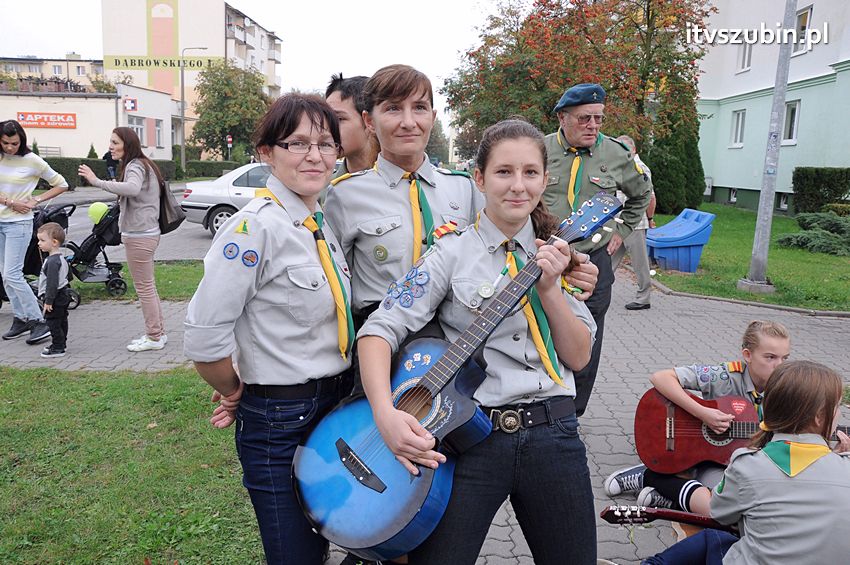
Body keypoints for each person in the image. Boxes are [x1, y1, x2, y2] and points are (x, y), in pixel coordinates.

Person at [358, 119, 598, 565]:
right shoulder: (449, 252)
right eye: (504, 172)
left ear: (545, 180)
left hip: (554, 434)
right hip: (469, 438)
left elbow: (579, 357)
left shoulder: (561, 256)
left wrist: (550, 289)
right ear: (480, 179)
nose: (518, 185)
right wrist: (384, 413)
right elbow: (378, 330)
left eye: (530, 172)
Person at [184, 93, 355, 564]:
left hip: (334, 408)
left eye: (325, 143)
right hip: (279, 421)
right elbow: (204, 336)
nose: (314, 155)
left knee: (334, 538)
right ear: (266, 153)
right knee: (295, 553)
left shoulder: (317, 224)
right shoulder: (253, 230)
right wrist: (233, 389)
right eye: (297, 143)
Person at [327, 65, 598, 329]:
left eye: (419, 108)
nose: (408, 122)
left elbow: (513, 238)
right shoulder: (345, 195)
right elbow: (334, 285)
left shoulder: (465, 188)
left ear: (433, 117)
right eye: (393, 109)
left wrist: (572, 266)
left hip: (457, 335)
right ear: (369, 121)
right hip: (382, 333)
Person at [641, 360, 850, 565]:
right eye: (837, 407)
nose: (840, 414)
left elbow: (719, 513)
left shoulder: (747, 464)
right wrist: (835, 458)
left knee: (713, 537)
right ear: (819, 417)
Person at [604, 320, 791, 516]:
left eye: (784, 358)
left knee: (736, 498)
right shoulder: (723, 376)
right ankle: (648, 473)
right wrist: (702, 412)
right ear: (747, 355)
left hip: (728, 462)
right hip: (694, 449)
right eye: (770, 357)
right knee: (726, 500)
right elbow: (661, 377)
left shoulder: (786, 389)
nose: (779, 366)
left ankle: (670, 494)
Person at [543, 83, 652, 416]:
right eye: (584, 118)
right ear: (562, 118)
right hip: (545, 259)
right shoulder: (540, 149)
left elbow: (641, 194)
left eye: (598, 118)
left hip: (592, 262)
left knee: (587, 336)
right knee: (542, 329)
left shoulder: (616, 154)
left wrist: (622, 229)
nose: (593, 126)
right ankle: (543, 403)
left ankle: (573, 413)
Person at [78, 127, 166, 352]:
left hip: (139, 236)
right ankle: (158, 333)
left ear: (128, 145)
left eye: (115, 142)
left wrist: (96, 181)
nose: (111, 146)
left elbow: (132, 188)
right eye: (110, 142)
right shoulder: (144, 164)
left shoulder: (135, 165)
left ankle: (154, 337)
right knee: (149, 286)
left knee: (144, 288)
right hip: (146, 233)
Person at [0, 119, 68, 345]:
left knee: (12, 274)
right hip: (1, 221)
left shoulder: (32, 160)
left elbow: (61, 184)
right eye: (5, 143)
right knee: (5, 275)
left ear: (22, 140)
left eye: (14, 143)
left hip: (18, 224)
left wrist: (36, 200)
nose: (10, 147)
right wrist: (10, 202)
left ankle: (39, 321)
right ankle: (21, 318)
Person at [610, 134, 656, 311]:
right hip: (619, 223)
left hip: (635, 224)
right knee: (608, 259)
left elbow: (649, 197)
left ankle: (644, 297)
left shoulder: (640, 168)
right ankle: (597, 290)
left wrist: (650, 219)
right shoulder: (621, 167)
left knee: (639, 263)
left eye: (626, 149)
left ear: (634, 150)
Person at [325, 73, 380, 181]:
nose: (325, 128)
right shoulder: (325, 187)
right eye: (325, 119)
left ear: (369, 121)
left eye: (339, 119)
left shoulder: (409, 184)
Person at [35, 221, 71, 358]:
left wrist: (48, 301)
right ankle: (61, 343)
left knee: (53, 322)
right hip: (63, 293)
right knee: (61, 320)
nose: (39, 243)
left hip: (55, 297)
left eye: (42, 240)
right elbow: (68, 276)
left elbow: (52, 283)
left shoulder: (52, 262)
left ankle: (58, 347)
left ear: (54, 242)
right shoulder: (61, 258)